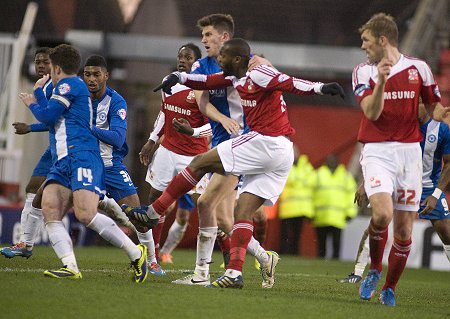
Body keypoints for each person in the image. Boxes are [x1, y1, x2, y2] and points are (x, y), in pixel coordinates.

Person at [126, 38, 345, 288]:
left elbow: (290, 82)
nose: (219, 61)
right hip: (279, 152)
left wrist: (321, 88)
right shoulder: (235, 78)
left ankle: (153, 213)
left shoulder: (259, 74)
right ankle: (234, 272)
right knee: (241, 213)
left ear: (238, 59)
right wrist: (181, 79)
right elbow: (208, 82)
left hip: (265, 142)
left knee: (199, 162)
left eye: (223, 58)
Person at [152, 14, 275, 286]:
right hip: (220, 142)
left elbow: (270, 73)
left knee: (209, 205)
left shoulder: (247, 61)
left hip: (241, 146)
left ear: (224, 37)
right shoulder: (202, 65)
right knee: (222, 218)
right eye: (203, 35)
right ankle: (264, 259)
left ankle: (202, 274)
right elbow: (201, 102)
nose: (204, 40)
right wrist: (221, 119)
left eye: (209, 35)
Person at [18, 44, 148, 282]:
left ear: (57, 67)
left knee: (85, 214)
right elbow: (52, 118)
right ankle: (70, 267)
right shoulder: (68, 87)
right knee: (50, 209)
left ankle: (136, 252)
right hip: (65, 158)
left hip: (83, 156)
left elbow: (46, 115)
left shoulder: (69, 84)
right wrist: (38, 95)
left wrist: (33, 99)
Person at [352, 13, 447, 306]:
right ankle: (374, 269)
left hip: (409, 155)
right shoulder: (363, 72)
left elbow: (434, 106)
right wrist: (381, 80)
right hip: (378, 151)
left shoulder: (419, 69)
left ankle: (389, 288)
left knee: (404, 231)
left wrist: (443, 115)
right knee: (382, 215)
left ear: (383, 40)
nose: (363, 47)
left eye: (366, 41)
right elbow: (371, 112)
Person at [339, 103, 450, 284]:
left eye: (420, 103)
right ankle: (358, 272)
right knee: (378, 222)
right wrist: (366, 183)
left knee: (446, 231)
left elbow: (449, 163)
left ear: (427, 106)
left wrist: (436, 194)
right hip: (398, 181)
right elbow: (380, 155)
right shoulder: (400, 126)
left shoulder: (441, 130)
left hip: (428, 187)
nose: (415, 107)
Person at [83, 54, 165, 276]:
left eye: (96, 74)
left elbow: (118, 139)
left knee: (139, 217)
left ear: (106, 76)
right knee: (52, 200)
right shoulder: (77, 99)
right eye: (87, 74)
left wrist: (89, 128)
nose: (91, 79)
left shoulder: (115, 101)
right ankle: (28, 243)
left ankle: (153, 260)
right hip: (85, 166)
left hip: (111, 166)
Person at [137, 43, 211, 270]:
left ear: (197, 62)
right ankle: (154, 256)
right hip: (168, 151)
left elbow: (213, 127)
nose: (182, 60)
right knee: (154, 200)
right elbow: (164, 112)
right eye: (180, 56)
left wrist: (193, 132)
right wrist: (151, 140)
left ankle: (221, 263)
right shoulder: (169, 82)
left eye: (187, 57)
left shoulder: (205, 86)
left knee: (207, 206)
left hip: (195, 157)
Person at [1, 47, 54, 259]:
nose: (40, 65)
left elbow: (50, 119)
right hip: (54, 148)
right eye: (37, 61)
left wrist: (30, 127)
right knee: (33, 187)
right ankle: (25, 243)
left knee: (91, 204)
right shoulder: (45, 85)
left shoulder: (57, 87)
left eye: (45, 61)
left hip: (70, 149)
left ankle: (133, 239)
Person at [313, 154, 357, 259]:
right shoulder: (318, 174)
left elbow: (352, 195)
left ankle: (335, 262)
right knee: (321, 245)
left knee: (336, 244)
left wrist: (350, 212)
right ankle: (320, 263)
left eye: (333, 160)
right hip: (321, 216)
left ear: (338, 161)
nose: (331, 162)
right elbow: (310, 193)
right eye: (329, 160)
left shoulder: (346, 176)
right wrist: (310, 212)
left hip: (338, 217)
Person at [278, 145, 316, 255]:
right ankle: (284, 252)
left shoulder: (306, 166)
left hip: (301, 208)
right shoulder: (286, 165)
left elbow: (312, 181)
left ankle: (295, 252)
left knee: (297, 234)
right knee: (285, 233)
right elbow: (288, 179)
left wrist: (296, 180)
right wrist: (300, 180)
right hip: (288, 208)